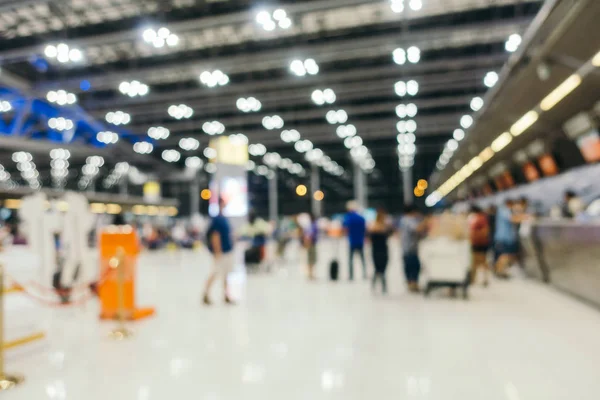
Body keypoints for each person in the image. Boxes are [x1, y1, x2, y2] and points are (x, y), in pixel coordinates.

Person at [203, 198, 235, 305]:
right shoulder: (217, 219)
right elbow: (215, 236)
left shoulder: (224, 218)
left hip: (227, 250)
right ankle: (206, 294)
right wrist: (217, 251)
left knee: (226, 274)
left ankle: (226, 295)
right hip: (221, 252)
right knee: (215, 272)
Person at [494, 198, 528, 278]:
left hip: (507, 238)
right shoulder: (504, 210)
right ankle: (499, 272)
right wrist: (526, 217)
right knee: (504, 255)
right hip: (503, 238)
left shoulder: (504, 210)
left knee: (506, 255)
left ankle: (501, 271)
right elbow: (513, 219)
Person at [399, 205, 427, 292]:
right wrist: (425, 221)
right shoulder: (408, 220)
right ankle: (413, 283)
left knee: (409, 266)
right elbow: (416, 229)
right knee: (414, 266)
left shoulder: (403, 220)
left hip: (406, 247)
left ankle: (411, 283)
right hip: (410, 248)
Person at [368, 208, 393, 294]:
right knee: (378, 269)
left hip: (383, 249)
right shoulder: (374, 226)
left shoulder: (385, 226)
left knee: (382, 269)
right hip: (377, 250)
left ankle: (383, 287)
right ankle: (378, 286)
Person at [343, 201, 367, 281]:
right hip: (360, 241)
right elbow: (365, 229)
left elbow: (345, 227)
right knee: (362, 259)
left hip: (352, 241)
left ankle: (351, 275)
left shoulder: (348, 218)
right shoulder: (361, 218)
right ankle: (364, 274)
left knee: (350, 260)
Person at [469, 205, 491, 287]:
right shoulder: (476, 218)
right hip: (476, 243)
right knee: (475, 261)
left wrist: (475, 235)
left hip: (480, 243)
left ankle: (484, 279)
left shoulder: (481, 219)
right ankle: (474, 279)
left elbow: (485, 231)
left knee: (482, 261)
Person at [303, 213, 318, 280]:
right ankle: (310, 274)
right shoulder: (313, 225)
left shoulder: (309, 225)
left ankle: (310, 274)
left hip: (310, 244)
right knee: (311, 260)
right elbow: (310, 235)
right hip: (312, 244)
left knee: (310, 260)